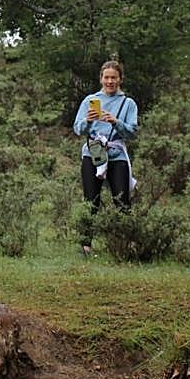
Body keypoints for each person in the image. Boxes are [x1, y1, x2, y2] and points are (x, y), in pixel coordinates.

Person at [72, 60, 139, 255]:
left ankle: (123, 243)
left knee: (122, 199)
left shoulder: (128, 103)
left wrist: (116, 122)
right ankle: (85, 245)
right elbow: (78, 129)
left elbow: (132, 132)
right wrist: (89, 120)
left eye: (114, 77)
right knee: (90, 199)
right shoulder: (90, 100)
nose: (110, 81)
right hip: (93, 154)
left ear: (120, 79)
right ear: (101, 78)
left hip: (117, 155)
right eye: (106, 77)